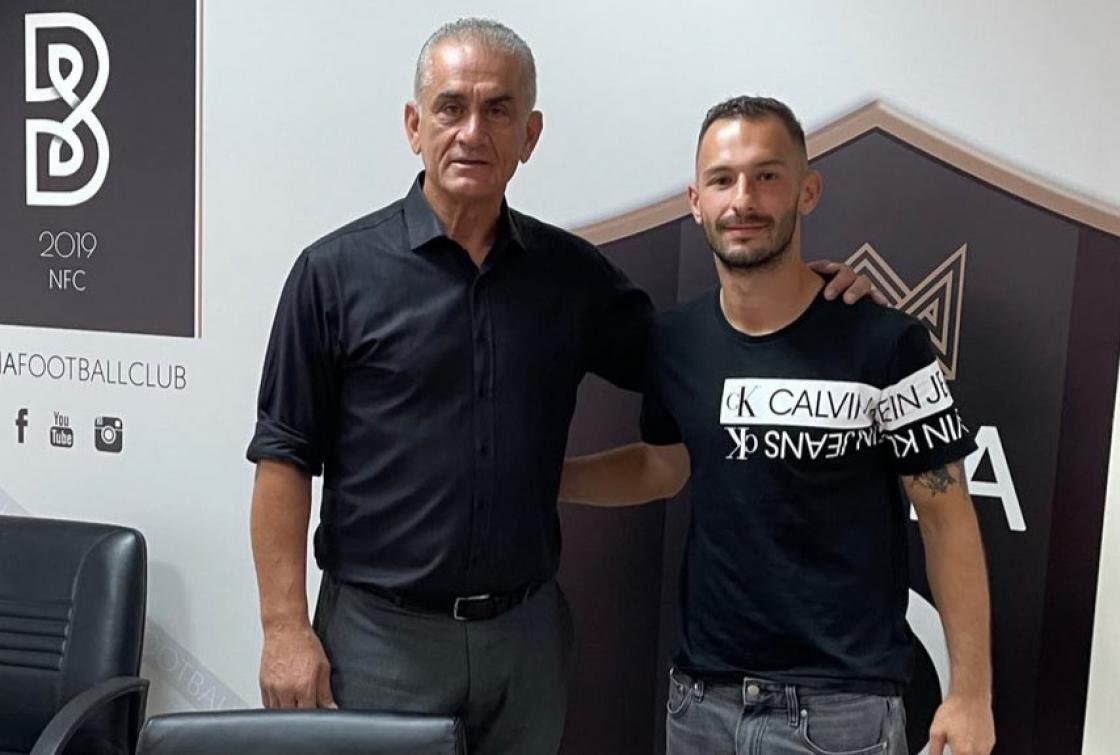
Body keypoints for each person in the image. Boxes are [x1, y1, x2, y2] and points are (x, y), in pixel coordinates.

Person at [246, 20, 874, 754]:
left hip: (526, 643)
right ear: (415, 126)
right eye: (451, 107)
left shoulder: (571, 277)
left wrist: (796, 295)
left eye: (499, 109)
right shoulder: (333, 274)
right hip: (378, 640)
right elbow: (284, 457)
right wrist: (283, 629)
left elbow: (698, 357)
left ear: (530, 135)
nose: (473, 131)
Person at [560, 96, 996, 755]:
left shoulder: (887, 343)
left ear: (807, 191)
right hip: (701, 704)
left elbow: (946, 514)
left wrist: (971, 694)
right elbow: (663, 466)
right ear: (695, 201)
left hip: (840, 714)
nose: (744, 200)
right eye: (722, 179)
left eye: (767, 176)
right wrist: (550, 478)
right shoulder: (675, 342)